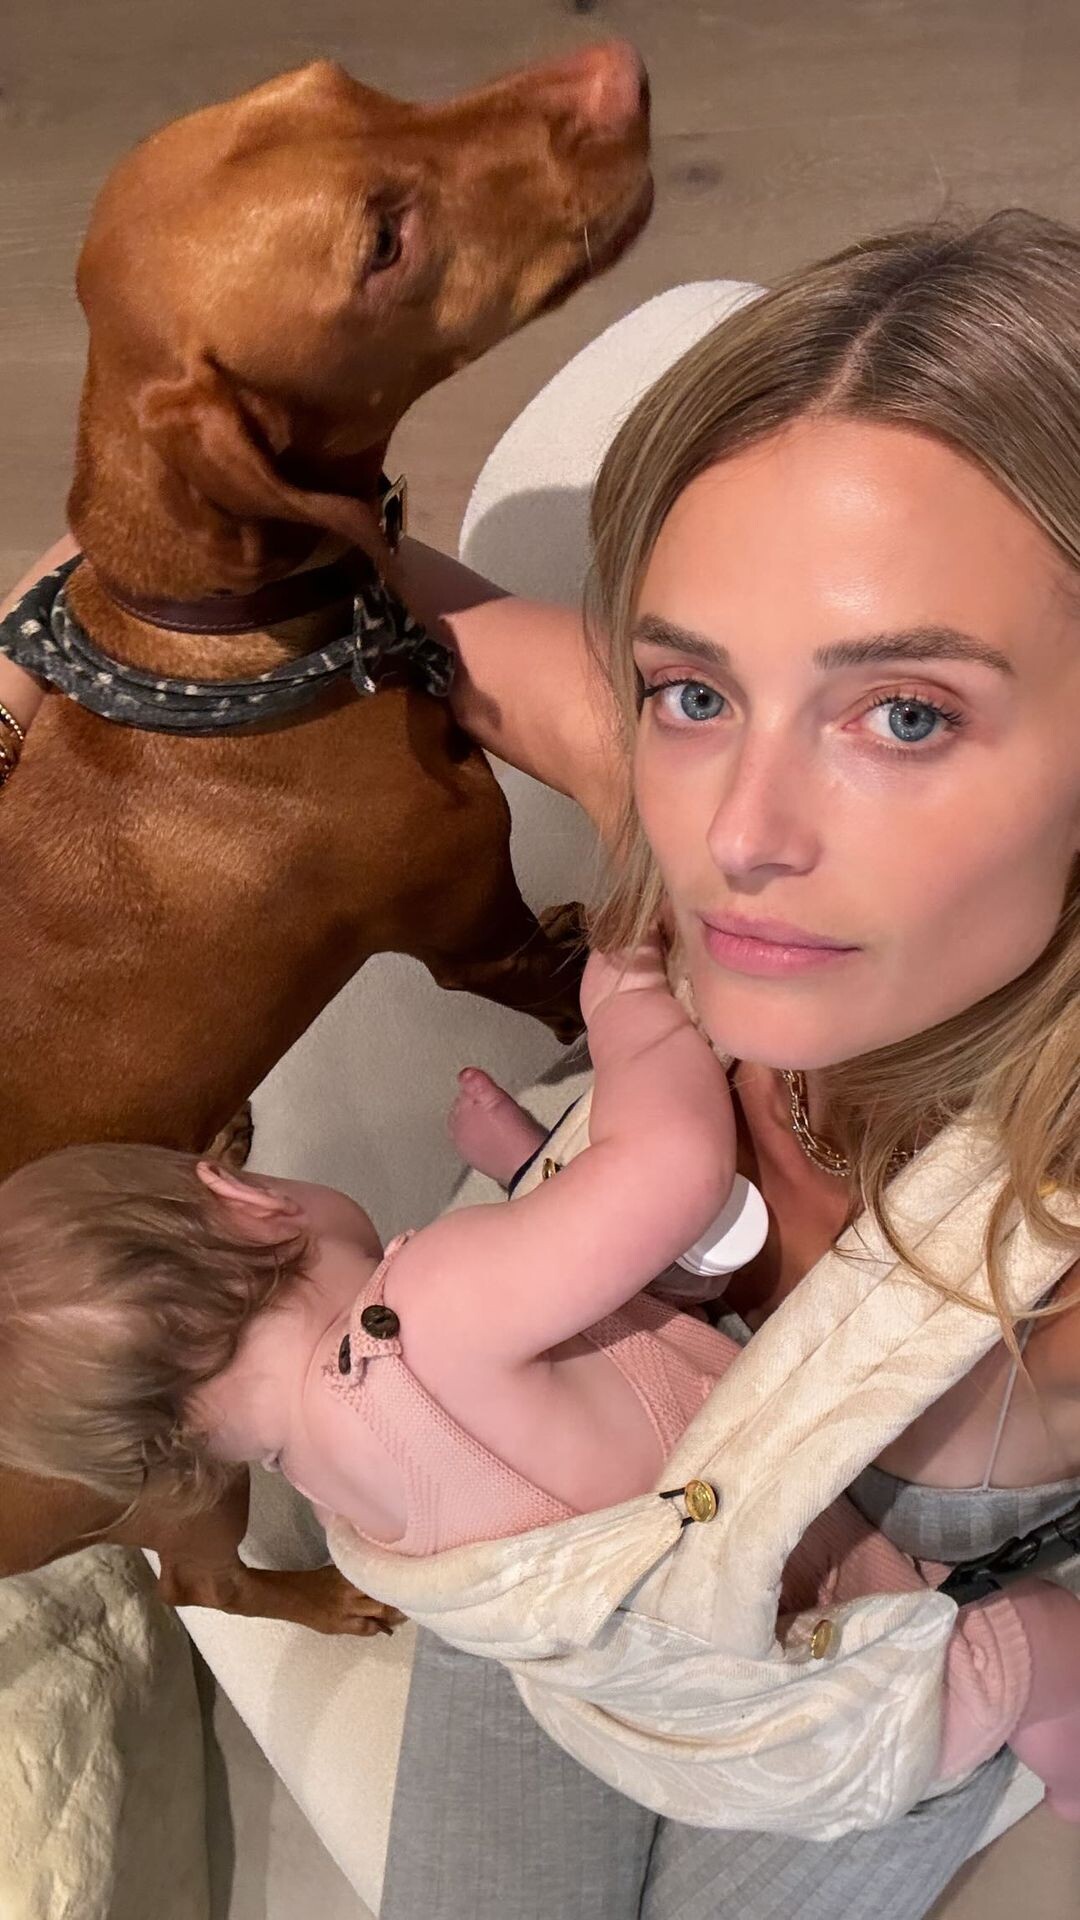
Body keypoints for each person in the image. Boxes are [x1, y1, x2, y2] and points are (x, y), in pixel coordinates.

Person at [4, 209, 1080, 1915]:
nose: (736, 839)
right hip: (538, 1530)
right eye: (694, 690)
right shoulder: (670, 803)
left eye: (906, 714)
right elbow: (228, 571)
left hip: (837, 1623)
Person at [0, 924, 1077, 1821]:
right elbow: (672, 1171)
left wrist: (531, 1165)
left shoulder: (333, 1484)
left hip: (690, 1749)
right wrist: (630, 1013)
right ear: (243, 1198)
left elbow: (568, 1388)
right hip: (834, 1685)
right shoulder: (423, 1311)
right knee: (1038, 1641)